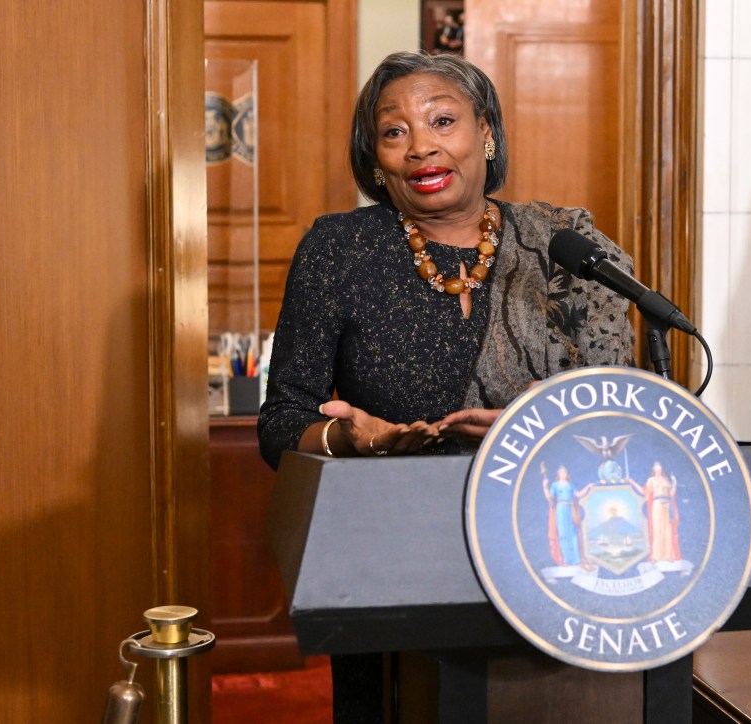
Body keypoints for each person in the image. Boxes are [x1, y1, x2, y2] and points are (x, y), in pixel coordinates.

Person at [257, 50, 634, 722]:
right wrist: (348, 440)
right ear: (375, 158)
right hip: (389, 555)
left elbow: (627, 414)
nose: (421, 147)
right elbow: (282, 420)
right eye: (395, 131)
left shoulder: (564, 246)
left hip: (551, 551)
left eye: (443, 121)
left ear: (486, 133)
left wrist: (537, 426)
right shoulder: (338, 249)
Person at [542, 464, 595, 568]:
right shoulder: (555, 485)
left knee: (573, 534)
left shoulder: (570, 485)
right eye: (561, 472)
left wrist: (588, 487)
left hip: (571, 509)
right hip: (561, 510)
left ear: (567, 474)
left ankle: (577, 560)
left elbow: (578, 495)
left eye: (565, 472)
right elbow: (550, 498)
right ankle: (566, 560)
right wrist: (545, 487)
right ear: (558, 474)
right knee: (563, 534)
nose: (563, 473)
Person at [629, 462, 681, 564]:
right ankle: (656, 556)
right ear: (654, 470)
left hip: (666, 504)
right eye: (656, 470)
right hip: (657, 505)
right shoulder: (651, 480)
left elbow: (671, 494)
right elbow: (644, 492)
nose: (658, 471)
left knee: (667, 529)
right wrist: (632, 482)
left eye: (659, 469)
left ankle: (668, 556)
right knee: (657, 530)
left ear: (661, 470)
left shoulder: (666, 480)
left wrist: (674, 483)